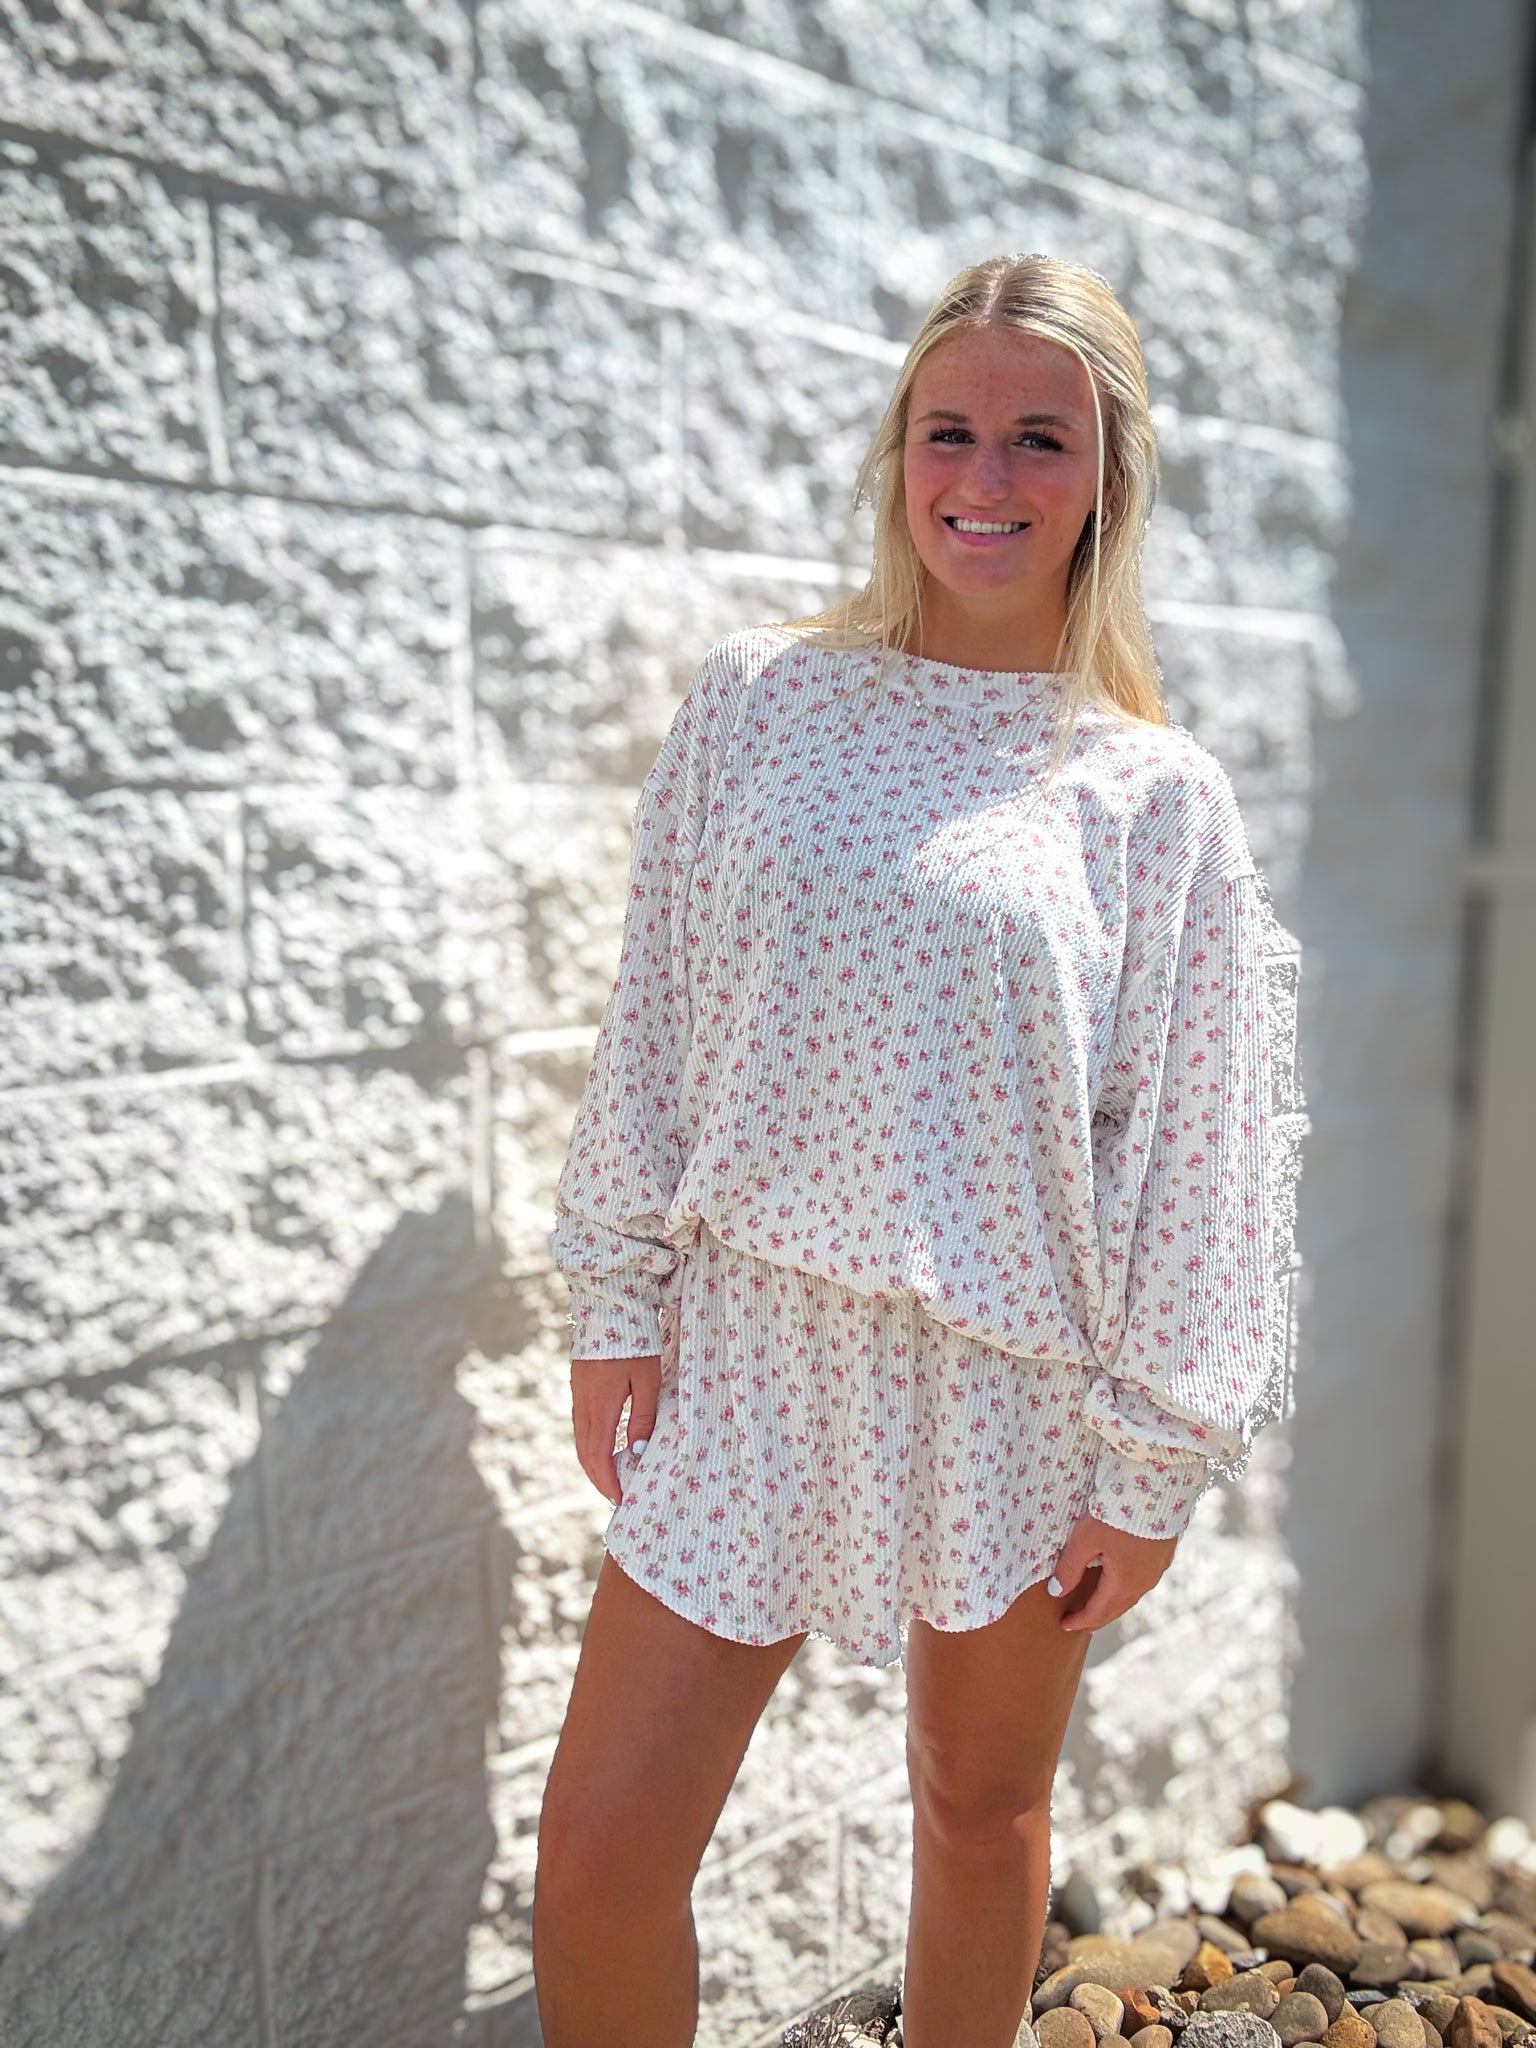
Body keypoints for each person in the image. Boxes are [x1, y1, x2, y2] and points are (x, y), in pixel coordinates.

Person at [533, 252, 1302, 2048]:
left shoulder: (1153, 798)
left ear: (1108, 476)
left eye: (1041, 438)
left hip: (1013, 1384)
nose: (987, 476)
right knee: (600, 1858)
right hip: (751, 1345)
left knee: (977, 1813)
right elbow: (660, 1012)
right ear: (898, 453)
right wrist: (617, 1299)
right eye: (949, 430)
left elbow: (1196, 1147)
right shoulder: (761, 703)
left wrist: (1150, 1459)